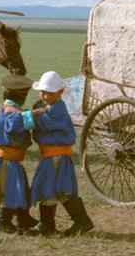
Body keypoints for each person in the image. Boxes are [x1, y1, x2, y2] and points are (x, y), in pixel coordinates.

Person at [21, 71, 94, 236]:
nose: (45, 95)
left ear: (60, 92)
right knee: (56, 189)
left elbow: (40, 123)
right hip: (54, 156)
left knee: (52, 188)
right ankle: (74, 221)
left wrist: (26, 115)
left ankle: (54, 224)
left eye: (49, 92)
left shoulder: (56, 111)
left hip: (55, 157)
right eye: (42, 92)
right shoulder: (53, 108)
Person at [0, 75, 39, 233]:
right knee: (8, 192)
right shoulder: (11, 111)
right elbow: (14, 126)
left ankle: (23, 217)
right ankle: (2, 221)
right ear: (20, 96)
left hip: (11, 160)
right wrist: (31, 115)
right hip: (6, 161)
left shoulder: (10, 108)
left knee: (19, 189)